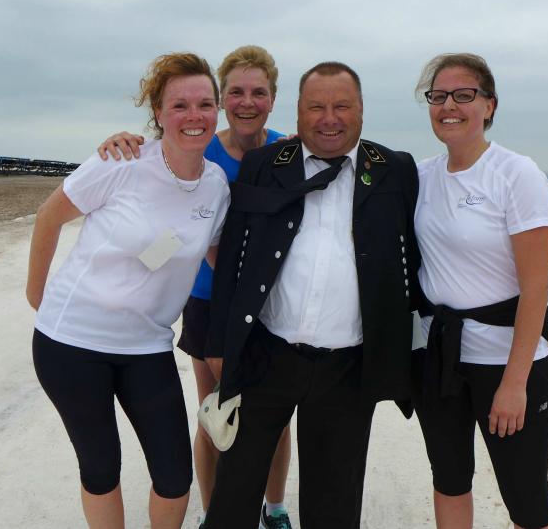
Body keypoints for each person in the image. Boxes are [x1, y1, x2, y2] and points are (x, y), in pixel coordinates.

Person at [201, 61, 421, 529]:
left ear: (361, 110)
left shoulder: (396, 170)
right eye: (316, 107)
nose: (329, 119)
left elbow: (416, 258)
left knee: (334, 506)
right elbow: (231, 263)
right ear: (298, 111)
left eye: (342, 106)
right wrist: (219, 344)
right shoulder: (264, 165)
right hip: (265, 356)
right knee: (234, 494)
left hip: (348, 368)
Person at [26, 52, 229, 529]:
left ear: (216, 110)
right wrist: (39, 299)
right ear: (158, 112)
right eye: (179, 105)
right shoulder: (121, 161)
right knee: (101, 469)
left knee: (174, 476)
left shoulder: (216, 186)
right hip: (72, 345)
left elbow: (218, 260)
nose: (194, 115)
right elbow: (49, 216)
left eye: (205, 104)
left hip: (147, 345)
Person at [97, 45, 294, 529]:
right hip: (209, 301)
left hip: (273, 306)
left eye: (259, 92)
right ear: (222, 99)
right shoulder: (200, 146)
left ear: (273, 98)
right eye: (236, 92)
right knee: (213, 416)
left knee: (274, 419)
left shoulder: (289, 152)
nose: (247, 102)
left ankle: (275, 508)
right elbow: (152, 159)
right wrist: (121, 141)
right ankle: (212, 513)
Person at [411, 53, 548, 529]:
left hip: (507, 362)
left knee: (527, 501)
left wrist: (515, 384)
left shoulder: (516, 174)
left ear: (489, 105)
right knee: (450, 480)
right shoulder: (420, 176)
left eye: (464, 95)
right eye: (438, 96)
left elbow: (536, 289)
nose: (448, 106)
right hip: (439, 358)